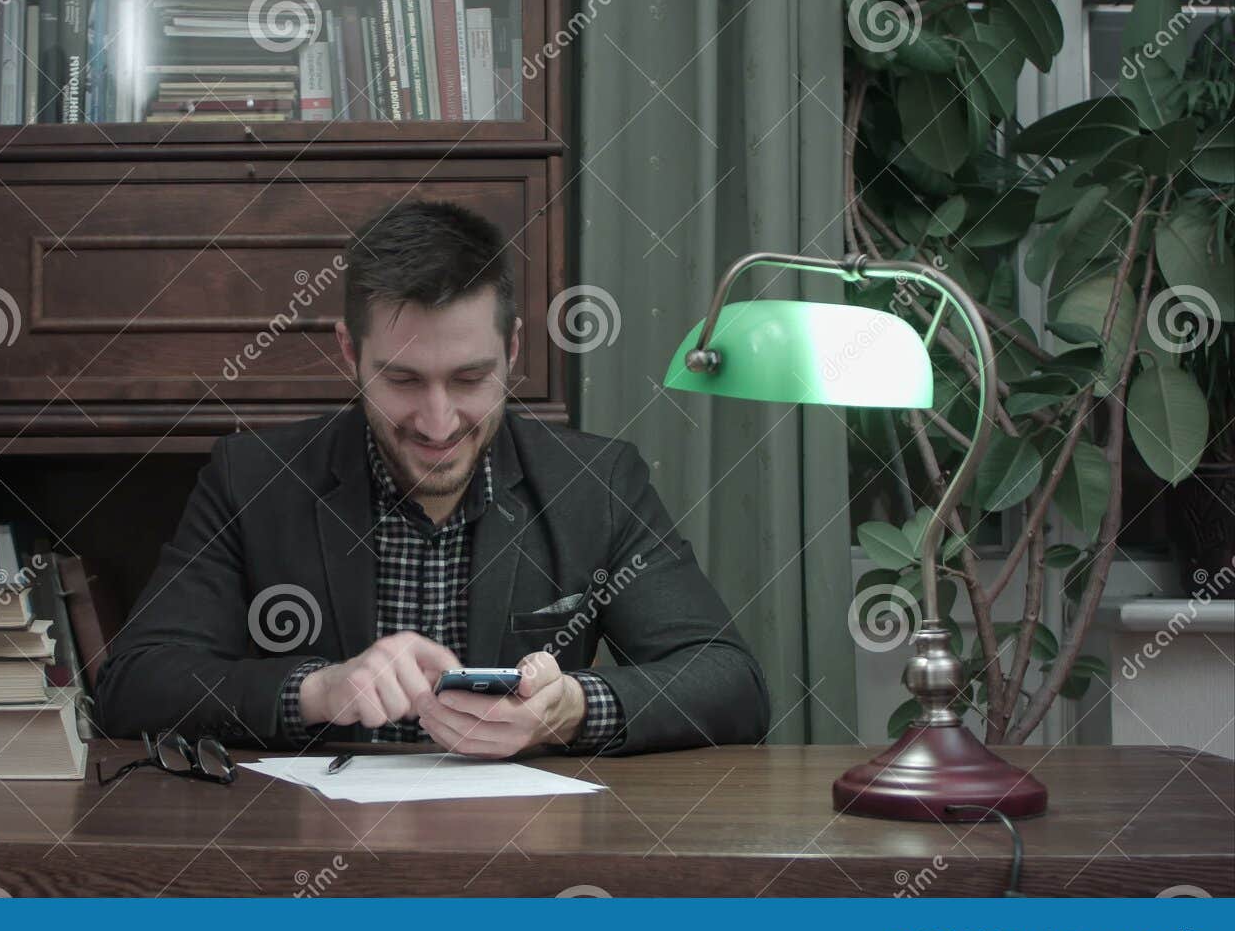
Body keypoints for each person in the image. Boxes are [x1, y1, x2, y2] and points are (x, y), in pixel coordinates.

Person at [97, 200, 768, 757]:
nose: (439, 422)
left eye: (471, 379)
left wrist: (573, 709)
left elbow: (732, 683)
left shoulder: (597, 482)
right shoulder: (251, 480)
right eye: (403, 380)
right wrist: (319, 691)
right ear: (348, 353)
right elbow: (134, 685)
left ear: (511, 351)